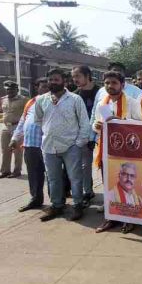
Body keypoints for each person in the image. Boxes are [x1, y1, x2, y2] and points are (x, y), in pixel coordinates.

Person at [34, 69, 91, 222]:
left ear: (64, 82)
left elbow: (85, 123)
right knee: (53, 178)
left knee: (75, 178)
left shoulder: (74, 99)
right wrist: (50, 132)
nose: (53, 82)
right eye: (50, 79)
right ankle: (57, 205)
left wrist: (78, 143)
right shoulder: (41, 100)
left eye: (56, 79)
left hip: (71, 145)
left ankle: (78, 205)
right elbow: (39, 120)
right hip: (49, 146)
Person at [92, 71, 142, 233]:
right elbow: (95, 123)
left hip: (127, 151)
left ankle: (129, 219)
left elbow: (140, 124)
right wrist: (97, 127)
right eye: (107, 83)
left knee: (127, 185)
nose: (110, 86)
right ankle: (111, 218)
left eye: (114, 83)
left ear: (122, 85)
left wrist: (120, 122)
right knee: (108, 185)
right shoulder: (102, 103)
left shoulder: (132, 102)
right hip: (107, 149)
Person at [9, 78, 49, 211]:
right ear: (38, 88)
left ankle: (57, 202)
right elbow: (22, 121)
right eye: (42, 87)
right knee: (33, 174)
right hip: (30, 145)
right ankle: (36, 199)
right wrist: (15, 138)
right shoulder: (31, 102)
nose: (44, 89)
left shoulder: (54, 102)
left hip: (47, 146)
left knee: (51, 175)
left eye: (47, 87)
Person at [72, 65, 100, 207]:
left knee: (103, 164)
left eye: (78, 76)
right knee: (84, 165)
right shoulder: (75, 95)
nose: (75, 79)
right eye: (73, 77)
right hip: (83, 134)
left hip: (101, 132)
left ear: (87, 75)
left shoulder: (101, 91)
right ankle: (87, 191)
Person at [0, 80, 28, 179]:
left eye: (12, 90)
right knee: (5, 149)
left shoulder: (24, 100)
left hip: (17, 127)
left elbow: (28, 113)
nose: (9, 92)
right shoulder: (4, 99)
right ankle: (5, 171)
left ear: (17, 90)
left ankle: (17, 171)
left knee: (17, 150)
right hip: (6, 127)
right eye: (8, 90)